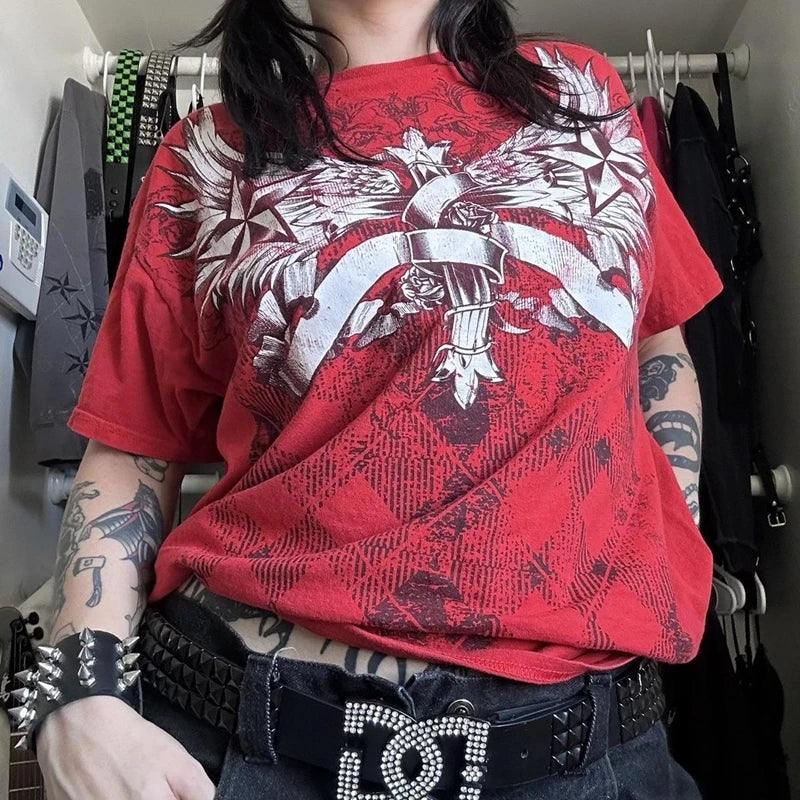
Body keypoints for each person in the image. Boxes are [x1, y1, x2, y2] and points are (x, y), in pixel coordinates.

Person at [24, 0, 722, 798]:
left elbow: (656, 344)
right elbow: (133, 448)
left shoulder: (578, 93)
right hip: (244, 733)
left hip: (580, 744)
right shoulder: (208, 155)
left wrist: (662, 530)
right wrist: (75, 692)